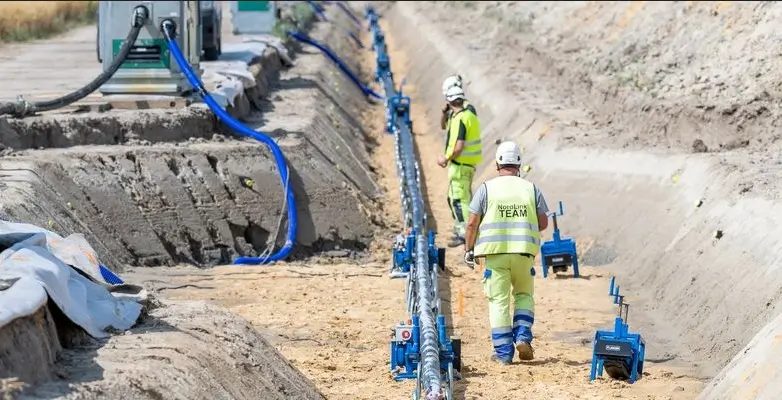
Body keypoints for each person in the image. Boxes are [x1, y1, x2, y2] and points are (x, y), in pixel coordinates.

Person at [463, 141, 550, 365]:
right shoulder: (531, 189)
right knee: (524, 295)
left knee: (498, 301)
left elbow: (471, 223)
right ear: (519, 163)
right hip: (524, 255)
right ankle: (522, 336)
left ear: (497, 163)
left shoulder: (486, 189)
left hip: (495, 256)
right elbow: (543, 223)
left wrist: (468, 249)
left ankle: (503, 354)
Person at [438, 85, 482, 248]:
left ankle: (465, 234)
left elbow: (459, 146)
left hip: (460, 166)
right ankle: (464, 231)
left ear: (449, 101)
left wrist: (446, 158)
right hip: (466, 165)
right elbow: (444, 126)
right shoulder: (469, 115)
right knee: (459, 199)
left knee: (459, 201)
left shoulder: (460, 119)